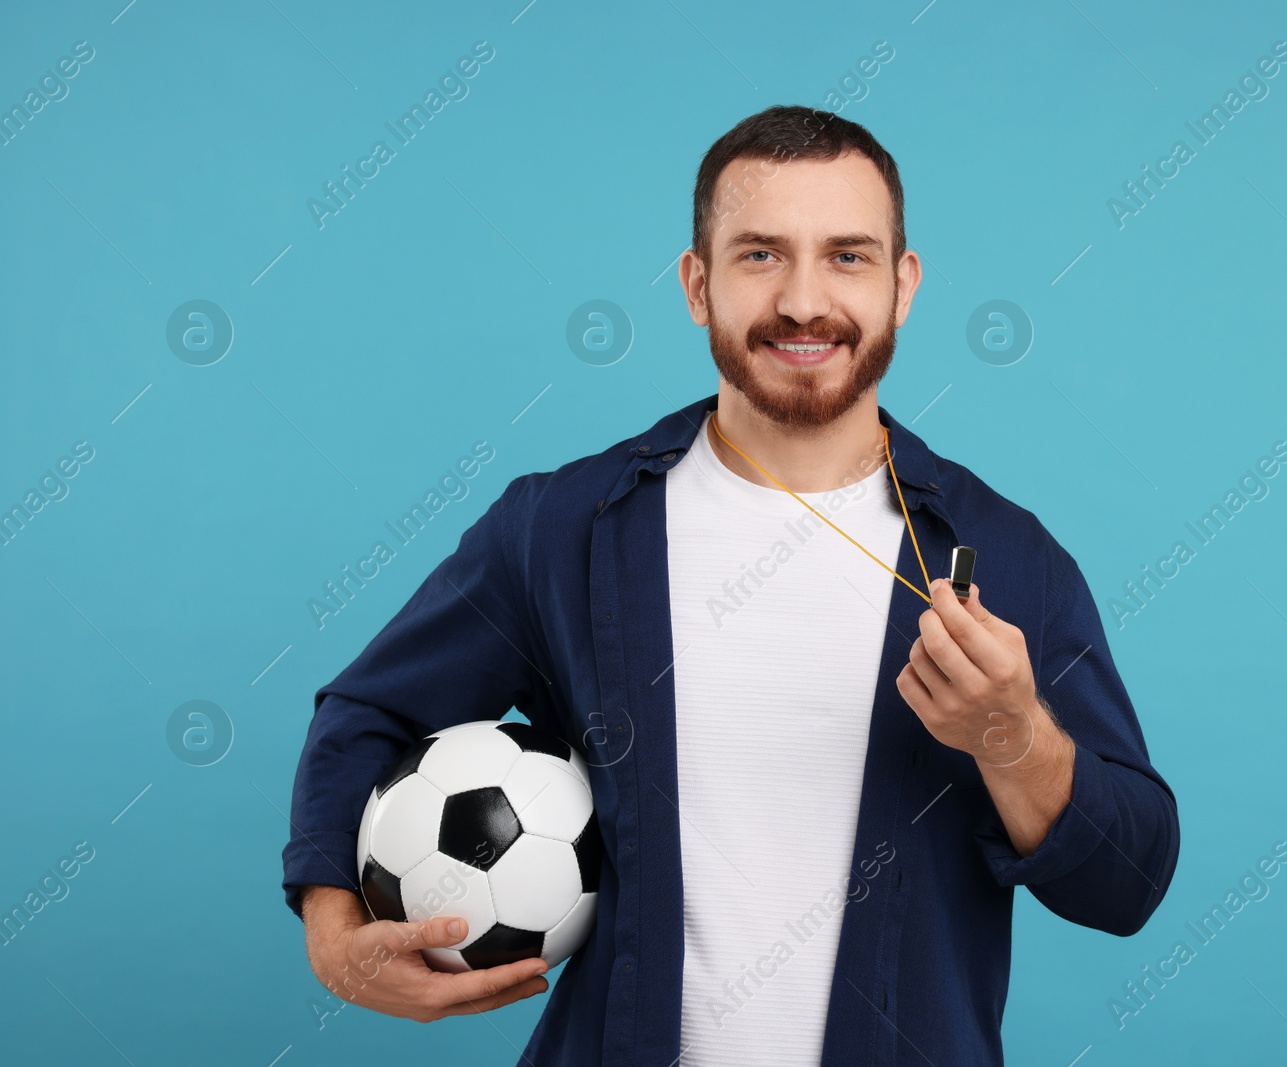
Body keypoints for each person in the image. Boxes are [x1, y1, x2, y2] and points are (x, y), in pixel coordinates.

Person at [282, 104, 1179, 1066]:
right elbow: (366, 714)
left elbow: (1126, 881)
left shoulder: (1008, 557)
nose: (803, 302)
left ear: (903, 285)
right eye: (760, 255)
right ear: (697, 284)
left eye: (847, 256)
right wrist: (335, 937)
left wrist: (1013, 736)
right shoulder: (560, 530)